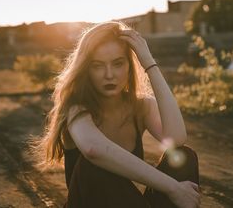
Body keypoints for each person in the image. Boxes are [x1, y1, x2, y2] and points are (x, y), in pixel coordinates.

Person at [30, 21, 200, 208]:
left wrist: (149, 63)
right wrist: (173, 188)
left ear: (129, 66)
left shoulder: (141, 106)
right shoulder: (76, 108)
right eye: (97, 66)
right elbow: (93, 150)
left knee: (184, 156)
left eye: (118, 63)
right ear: (86, 69)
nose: (109, 74)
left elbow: (176, 139)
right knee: (94, 166)